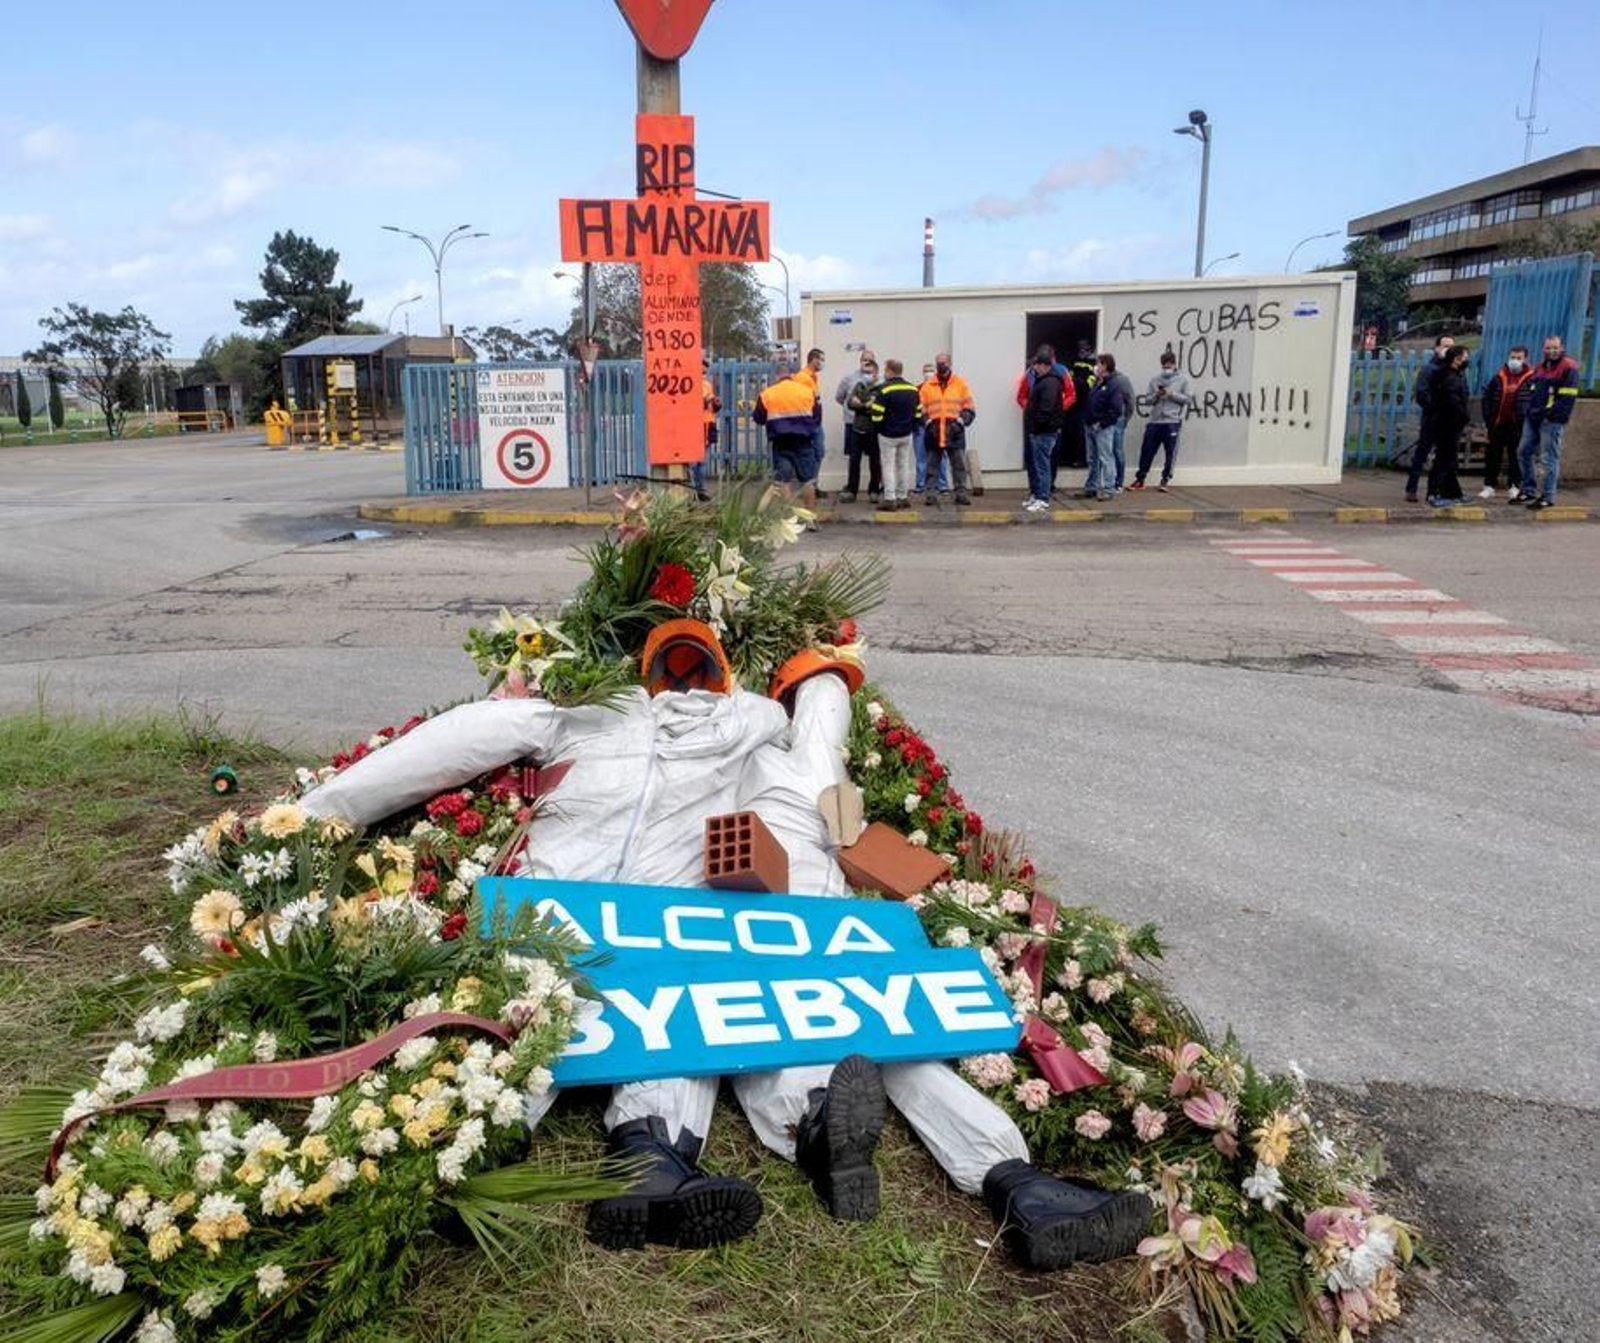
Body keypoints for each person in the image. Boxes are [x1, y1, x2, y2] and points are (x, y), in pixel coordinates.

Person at [1518, 335, 1581, 511]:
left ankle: (1547, 496)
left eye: (1555, 347)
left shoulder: (1569, 367)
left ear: (1561, 348)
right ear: (1543, 349)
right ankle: (1528, 490)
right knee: (1523, 452)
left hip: (1551, 421)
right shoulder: (1539, 368)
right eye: (1548, 348)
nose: (1551, 351)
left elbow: (1567, 398)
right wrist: (1528, 410)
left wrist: (1550, 415)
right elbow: (1531, 391)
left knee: (1548, 459)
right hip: (1533, 418)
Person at [753, 366, 821, 499]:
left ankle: (787, 517)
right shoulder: (807, 391)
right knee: (807, 481)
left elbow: (759, 418)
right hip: (803, 441)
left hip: (781, 443)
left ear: (777, 377)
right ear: (791, 375)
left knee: (783, 481)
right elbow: (817, 417)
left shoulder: (767, 394)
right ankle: (809, 517)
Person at [918, 352, 976, 507]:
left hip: (954, 432)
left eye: (943, 362)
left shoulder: (960, 384)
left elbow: (969, 408)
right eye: (938, 362)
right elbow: (920, 409)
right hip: (934, 432)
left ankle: (961, 494)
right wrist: (927, 423)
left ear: (950, 363)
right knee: (932, 467)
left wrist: (960, 423)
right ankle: (930, 494)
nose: (940, 365)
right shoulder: (927, 386)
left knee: (959, 466)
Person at [1129, 351, 1191, 491]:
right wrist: (1157, 395)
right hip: (1155, 421)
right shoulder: (1155, 380)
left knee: (1170, 452)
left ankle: (1165, 480)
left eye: (1169, 366)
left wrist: (1172, 394)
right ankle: (1140, 479)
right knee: (1147, 450)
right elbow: (1147, 400)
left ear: (1174, 365)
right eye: (1164, 366)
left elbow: (1188, 399)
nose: (1166, 369)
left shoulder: (1183, 379)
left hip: (1172, 421)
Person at [1478, 346, 1533, 501]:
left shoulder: (1531, 378)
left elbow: (1535, 401)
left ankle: (1514, 486)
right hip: (1497, 423)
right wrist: (1489, 418)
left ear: (1525, 359)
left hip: (1518, 425)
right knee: (1492, 456)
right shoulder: (1498, 377)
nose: (1515, 361)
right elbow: (1487, 398)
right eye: (1512, 357)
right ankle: (1489, 486)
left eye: (1519, 358)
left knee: (1515, 456)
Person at [1404, 335, 1454, 503]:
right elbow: (1421, 394)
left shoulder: (1454, 370)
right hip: (1432, 418)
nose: (1448, 350)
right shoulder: (1429, 369)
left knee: (1444, 456)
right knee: (1422, 454)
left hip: (1448, 420)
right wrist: (1436, 408)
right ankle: (1411, 489)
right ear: (1437, 348)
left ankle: (1436, 490)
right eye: (1445, 346)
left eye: (1451, 347)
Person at [868, 358, 922, 510]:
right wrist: (912, 426)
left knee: (888, 466)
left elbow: (877, 414)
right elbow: (918, 412)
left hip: (888, 435)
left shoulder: (884, 389)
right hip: (906, 434)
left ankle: (890, 499)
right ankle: (902, 497)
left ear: (890, 370)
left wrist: (879, 427)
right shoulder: (913, 389)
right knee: (903, 465)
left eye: (885, 369)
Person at [1425, 345, 1472, 507]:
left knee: (1449, 460)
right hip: (1448, 424)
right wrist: (1464, 416)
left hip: (1444, 422)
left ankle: (1453, 492)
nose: (1467, 360)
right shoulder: (1450, 378)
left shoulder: (1446, 374)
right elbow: (1454, 402)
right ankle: (1433, 493)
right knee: (1444, 459)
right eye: (1465, 357)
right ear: (1457, 358)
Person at [1021, 350, 1066, 513]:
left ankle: (1043, 498)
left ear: (1044, 366)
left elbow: (1046, 408)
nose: (1034, 368)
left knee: (1042, 466)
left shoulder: (1050, 383)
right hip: (1040, 431)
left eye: (1037, 365)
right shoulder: (1045, 381)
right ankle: (1037, 495)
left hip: (1044, 432)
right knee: (1037, 465)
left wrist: (1036, 426)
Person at [1082, 354, 1131, 503]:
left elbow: (1116, 409)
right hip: (1090, 425)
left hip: (1102, 427)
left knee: (1106, 457)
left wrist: (1102, 423)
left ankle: (1109, 489)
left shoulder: (1114, 384)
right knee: (1092, 459)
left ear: (1105, 365)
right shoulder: (1098, 382)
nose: (1096, 367)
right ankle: (1091, 487)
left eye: (1098, 364)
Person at [838, 353, 883, 503]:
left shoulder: (882, 387)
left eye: (870, 371)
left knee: (875, 461)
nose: (867, 374)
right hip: (856, 428)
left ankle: (874, 490)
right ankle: (852, 491)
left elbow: (879, 407)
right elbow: (849, 402)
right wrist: (865, 405)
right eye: (866, 371)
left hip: (874, 429)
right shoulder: (858, 384)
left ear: (876, 372)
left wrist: (861, 405)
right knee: (854, 460)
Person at [1056, 341, 1096, 489]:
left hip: (1084, 405)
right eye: (1080, 348)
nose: (1082, 351)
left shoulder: (1093, 365)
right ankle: (1068, 458)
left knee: (1080, 433)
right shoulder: (1075, 364)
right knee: (1069, 431)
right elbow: (1069, 380)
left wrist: (1075, 383)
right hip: (1072, 405)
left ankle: (1080, 459)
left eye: (1085, 348)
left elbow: (1088, 385)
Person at [913, 360, 948, 495]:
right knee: (921, 457)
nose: (929, 373)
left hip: (938, 426)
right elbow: (915, 409)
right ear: (922, 373)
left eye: (931, 370)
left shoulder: (942, 388)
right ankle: (920, 486)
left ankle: (942, 486)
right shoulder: (917, 389)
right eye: (926, 371)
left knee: (942, 457)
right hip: (921, 427)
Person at [693, 358, 719, 502]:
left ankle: (700, 490)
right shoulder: (689, 385)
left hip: (707, 424)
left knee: (702, 461)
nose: (703, 374)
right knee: (693, 462)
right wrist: (705, 401)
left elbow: (712, 406)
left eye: (704, 371)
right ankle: (694, 491)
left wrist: (715, 404)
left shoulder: (707, 385)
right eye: (701, 371)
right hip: (694, 424)